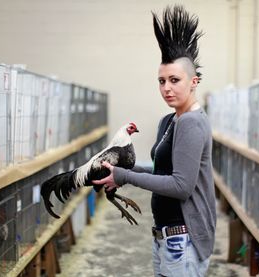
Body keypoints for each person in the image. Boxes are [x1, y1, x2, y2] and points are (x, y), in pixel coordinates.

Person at [93, 5, 216, 277]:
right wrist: (119, 171)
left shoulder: (192, 123)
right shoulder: (169, 121)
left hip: (183, 240)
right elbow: (163, 173)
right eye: (161, 81)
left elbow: (181, 186)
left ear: (194, 81)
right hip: (164, 236)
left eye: (174, 80)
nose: (166, 88)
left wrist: (125, 177)